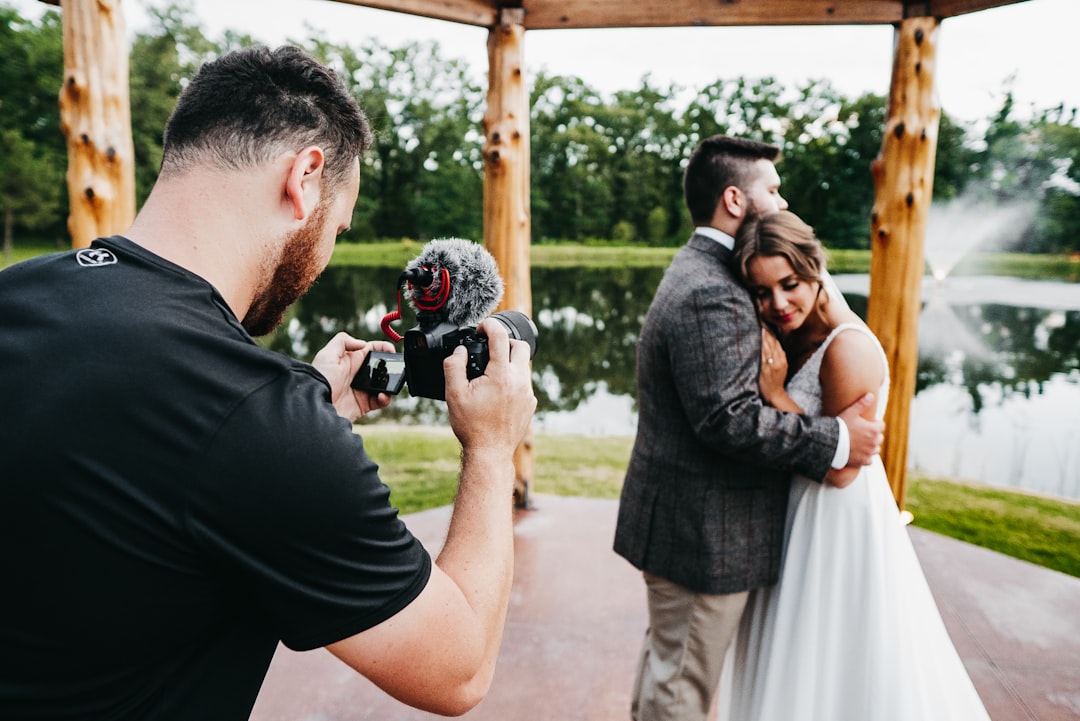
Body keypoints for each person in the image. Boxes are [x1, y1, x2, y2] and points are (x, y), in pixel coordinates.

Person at [0, 45, 536, 720]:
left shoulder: (18, 292)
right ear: (305, 177)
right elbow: (458, 669)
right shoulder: (255, 419)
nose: (327, 254)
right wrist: (490, 448)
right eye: (338, 228)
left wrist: (297, 411)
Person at [612, 135, 885, 721]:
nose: (783, 202)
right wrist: (837, 439)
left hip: (690, 523)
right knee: (679, 688)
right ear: (736, 200)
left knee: (669, 669)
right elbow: (727, 419)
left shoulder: (707, 270)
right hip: (703, 530)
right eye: (773, 189)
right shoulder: (712, 289)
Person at [719, 210, 991, 720]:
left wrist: (775, 392)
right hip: (793, 514)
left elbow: (842, 468)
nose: (777, 303)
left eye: (790, 284)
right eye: (761, 292)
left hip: (833, 523)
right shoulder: (789, 333)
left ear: (816, 269)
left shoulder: (848, 348)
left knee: (830, 658)